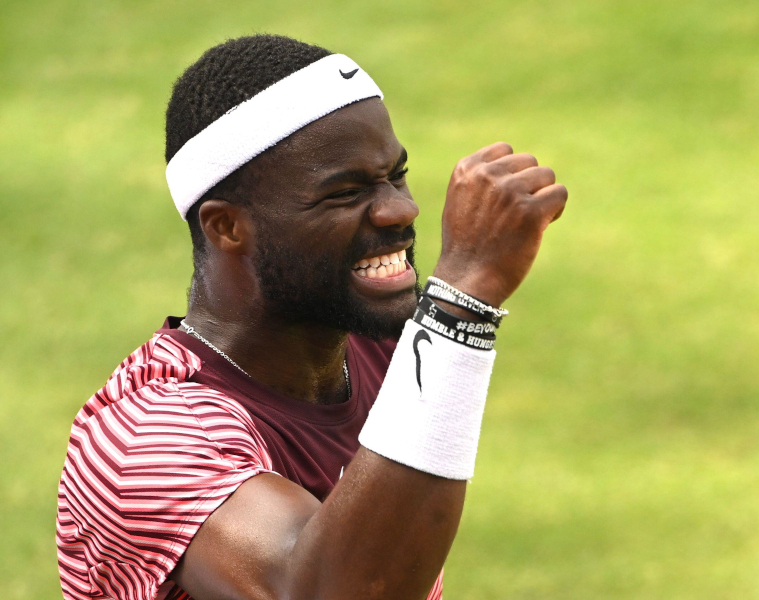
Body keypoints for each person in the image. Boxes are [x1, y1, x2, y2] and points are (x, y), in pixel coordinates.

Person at [55, 34, 567, 600]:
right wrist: (462, 298)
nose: (402, 208)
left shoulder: (378, 346)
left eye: (395, 174)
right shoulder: (147, 439)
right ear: (227, 226)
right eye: (344, 193)